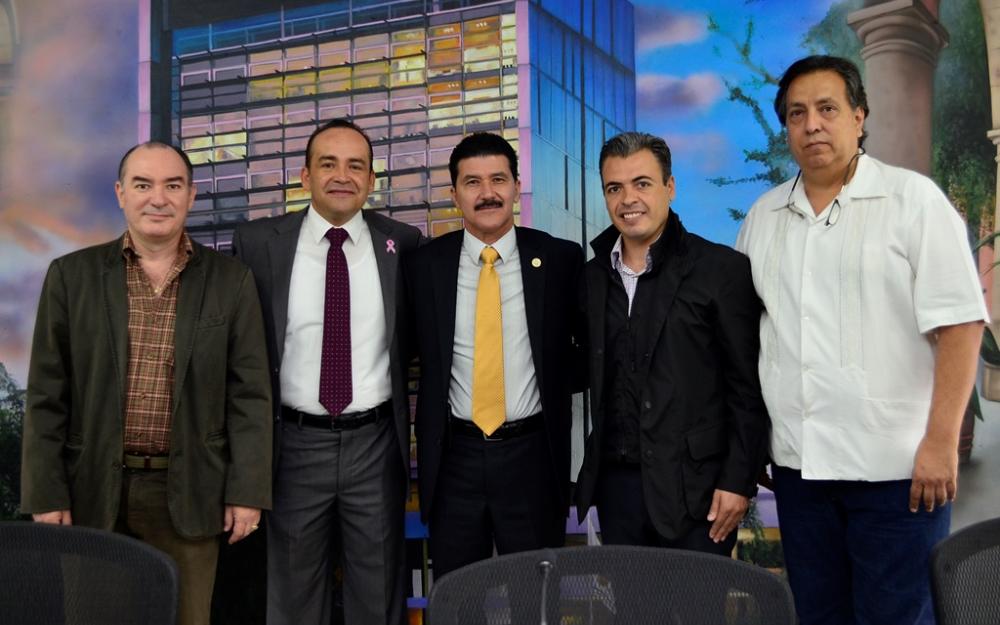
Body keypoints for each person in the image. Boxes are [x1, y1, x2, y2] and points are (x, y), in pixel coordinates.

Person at [736, 55, 988, 625]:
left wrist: (941, 443)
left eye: (827, 109)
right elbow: (749, 337)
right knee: (818, 615)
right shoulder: (763, 217)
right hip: (800, 473)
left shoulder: (913, 201)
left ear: (858, 116)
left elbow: (961, 325)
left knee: (897, 617)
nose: (812, 125)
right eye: (797, 114)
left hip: (899, 473)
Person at [21, 141, 272, 625]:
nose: (158, 198)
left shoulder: (231, 281)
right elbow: (46, 396)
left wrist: (248, 491)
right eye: (143, 185)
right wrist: (46, 494)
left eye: (172, 185)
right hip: (93, 492)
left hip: (192, 493)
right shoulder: (71, 277)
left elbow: (250, 398)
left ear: (191, 195)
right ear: (121, 193)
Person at [233, 119, 421, 625]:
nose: (342, 176)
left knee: (377, 597)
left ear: (372, 179)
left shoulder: (404, 243)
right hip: (292, 447)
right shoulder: (258, 244)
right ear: (305, 176)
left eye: (356, 165)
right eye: (328, 164)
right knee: (292, 599)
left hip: (375, 445)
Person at [574, 131, 769, 557]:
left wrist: (738, 480)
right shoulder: (591, 279)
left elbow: (747, 388)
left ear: (670, 187)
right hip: (618, 492)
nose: (628, 199)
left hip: (699, 492)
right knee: (630, 598)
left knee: (697, 598)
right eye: (614, 188)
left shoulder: (721, 270)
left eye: (642, 183)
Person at [403, 132, 585, 578]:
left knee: (536, 593)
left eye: (498, 179)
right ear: (454, 195)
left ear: (517, 186)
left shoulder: (559, 259)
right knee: (458, 594)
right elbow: (405, 350)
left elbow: (588, 351)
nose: (487, 193)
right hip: (454, 459)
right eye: (473, 182)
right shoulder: (423, 266)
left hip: (532, 457)